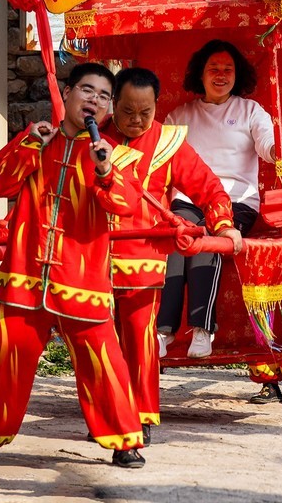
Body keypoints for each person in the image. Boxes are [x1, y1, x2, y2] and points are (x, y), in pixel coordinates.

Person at [0, 63, 149, 469]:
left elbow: (126, 206)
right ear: (67, 93)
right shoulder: (37, 142)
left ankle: (124, 441)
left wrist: (105, 169)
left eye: (103, 96)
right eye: (87, 90)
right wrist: (26, 144)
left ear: (110, 108)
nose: (94, 100)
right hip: (24, 275)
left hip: (82, 279)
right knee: (3, 357)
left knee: (103, 360)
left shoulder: (115, 156)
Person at [102, 67, 241, 440]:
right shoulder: (92, 137)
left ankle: (142, 417)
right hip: (94, 261)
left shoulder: (168, 143)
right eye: (128, 111)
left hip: (142, 262)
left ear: (156, 106)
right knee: (101, 346)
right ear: (113, 104)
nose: (136, 120)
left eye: (144, 112)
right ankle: (107, 418)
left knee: (139, 341)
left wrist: (224, 223)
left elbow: (210, 189)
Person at [155, 40, 282, 369]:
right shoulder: (180, 115)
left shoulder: (250, 111)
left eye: (227, 70)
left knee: (207, 238)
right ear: (200, 74)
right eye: (213, 69)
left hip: (237, 200)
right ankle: (164, 329)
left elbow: (267, 142)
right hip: (189, 198)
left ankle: (203, 328)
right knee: (175, 237)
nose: (221, 75)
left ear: (238, 75)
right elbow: (162, 157)